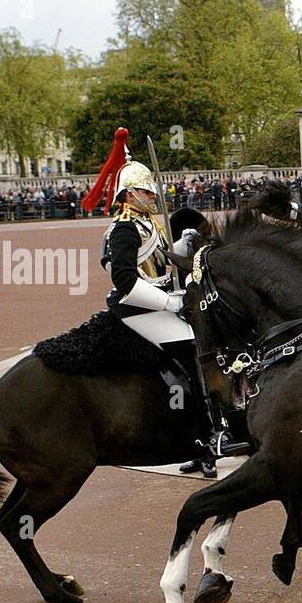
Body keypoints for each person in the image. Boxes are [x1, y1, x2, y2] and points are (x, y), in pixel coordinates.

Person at [80, 127, 245, 478]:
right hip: (139, 308)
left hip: (157, 300)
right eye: (144, 190)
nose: (152, 196)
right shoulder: (124, 229)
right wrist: (170, 304)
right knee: (193, 352)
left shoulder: (146, 224)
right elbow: (125, 281)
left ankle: (202, 443)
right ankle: (211, 434)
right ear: (128, 195)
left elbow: (162, 264)